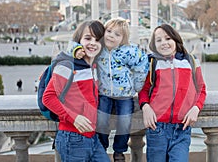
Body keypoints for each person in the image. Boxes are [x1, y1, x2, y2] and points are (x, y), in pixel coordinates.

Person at [42, 20, 110, 162]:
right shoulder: (67, 65)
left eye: (98, 40)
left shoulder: (94, 67)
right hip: (72, 138)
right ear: (78, 40)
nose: (93, 43)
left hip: (92, 137)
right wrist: (74, 118)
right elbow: (48, 97)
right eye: (87, 38)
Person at [138, 24, 207, 162]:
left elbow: (201, 89)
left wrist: (196, 108)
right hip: (157, 128)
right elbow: (143, 90)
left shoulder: (191, 61)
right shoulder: (152, 63)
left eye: (167, 38)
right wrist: (145, 107)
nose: (164, 43)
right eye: (159, 40)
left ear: (175, 40)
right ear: (154, 44)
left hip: (182, 128)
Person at [96, 17, 149, 162]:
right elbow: (79, 45)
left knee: (125, 122)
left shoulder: (128, 51)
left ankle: (119, 150)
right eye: (109, 31)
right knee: (101, 120)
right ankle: (101, 146)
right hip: (104, 94)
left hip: (125, 95)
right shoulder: (98, 49)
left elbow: (142, 65)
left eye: (117, 34)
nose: (111, 35)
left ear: (123, 39)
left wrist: (137, 86)